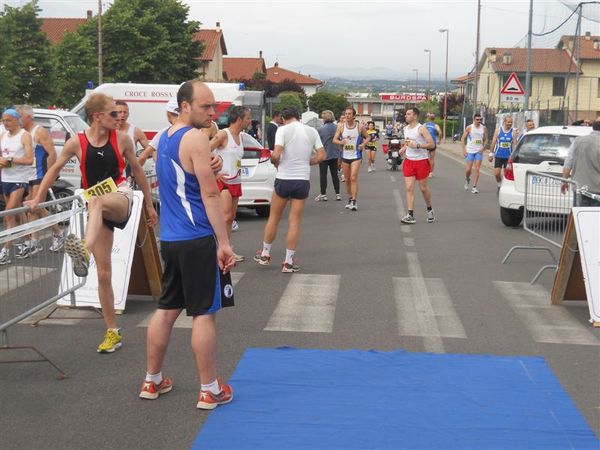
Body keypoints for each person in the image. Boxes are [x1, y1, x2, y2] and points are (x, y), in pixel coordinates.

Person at [25, 93, 158, 353]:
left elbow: (138, 169)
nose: (119, 117)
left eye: (120, 113)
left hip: (120, 198)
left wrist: (150, 205)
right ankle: (113, 332)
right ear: (97, 116)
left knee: (96, 202)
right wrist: (37, 198)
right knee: (104, 274)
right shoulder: (77, 142)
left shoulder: (121, 139)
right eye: (113, 113)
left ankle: (83, 250)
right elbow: (54, 169)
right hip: (97, 213)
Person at [140, 80, 236, 409]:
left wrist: (212, 166)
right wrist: (224, 242)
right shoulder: (195, 137)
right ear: (184, 106)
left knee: (166, 310)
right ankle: (210, 389)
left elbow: (186, 177)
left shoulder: (164, 137)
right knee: (204, 314)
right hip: (197, 238)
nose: (213, 113)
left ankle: (152, 380)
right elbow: (209, 194)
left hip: (172, 238)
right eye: (205, 107)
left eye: (214, 107)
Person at [253, 107, 325, 272]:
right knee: (294, 222)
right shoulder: (312, 131)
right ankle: (288, 262)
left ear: (284, 118)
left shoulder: (282, 130)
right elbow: (322, 155)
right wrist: (307, 163)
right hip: (302, 180)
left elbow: (276, 154)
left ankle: (265, 254)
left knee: (274, 219)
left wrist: (273, 160)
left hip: (284, 179)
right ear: (298, 117)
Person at [14, 105, 64, 258]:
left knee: (34, 207)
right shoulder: (21, 133)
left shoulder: (39, 131)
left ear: (28, 117)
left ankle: (37, 241)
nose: (18, 120)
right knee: (32, 207)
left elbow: (52, 153)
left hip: (39, 174)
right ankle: (56, 234)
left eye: (19, 117)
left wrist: (50, 174)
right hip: (25, 175)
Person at [210, 105, 251, 262]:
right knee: (225, 216)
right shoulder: (223, 135)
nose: (250, 121)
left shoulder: (240, 136)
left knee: (231, 217)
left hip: (236, 181)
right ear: (239, 119)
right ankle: (218, 249)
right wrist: (215, 173)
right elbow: (205, 150)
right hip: (224, 182)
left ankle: (226, 249)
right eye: (248, 118)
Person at [0, 109, 33, 265]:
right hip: (5, 179)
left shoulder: (24, 136)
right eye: (3, 120)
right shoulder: (3, 136)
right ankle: (28, 242)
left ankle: (5, 250)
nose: (5, 123)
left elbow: (29, 159)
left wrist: (11, 160)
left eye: (8, 120)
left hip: (20, 180)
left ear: (16, 120)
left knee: (8, 214)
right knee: (16, 216)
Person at [399, 107, 435, 224]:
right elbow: (408, 142)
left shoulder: (421, 128)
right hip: (409, 161)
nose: (406, 116)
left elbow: (431, 144)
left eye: (408, 114)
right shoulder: (405, 129)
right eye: (406, 114)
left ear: (415, 116)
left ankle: (429, 209)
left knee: (423, 189)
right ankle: (410, 214)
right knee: (409, 188)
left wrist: (418, 146)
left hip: (421, 161)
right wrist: (404, 148)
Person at [333, 107, 369, 211]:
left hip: (356, 156)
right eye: (346, 114)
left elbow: (368, 137)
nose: (347, 115)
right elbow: (334, 139)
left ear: (354, 116)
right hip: (345, 156)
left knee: (353, 178)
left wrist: (363, 144)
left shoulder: (359, 127)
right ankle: (350, 198)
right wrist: (340, 142)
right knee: (347, 179)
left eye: (349, 114)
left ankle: (354, 201)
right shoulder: (341, 127)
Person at [561, 116, 600, 206]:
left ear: (593, 127)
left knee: (580, 217)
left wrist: (564, 180)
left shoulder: (578, 141)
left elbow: (568, 162)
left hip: (580, 188)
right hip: (598, 190)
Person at [315, 110, 341, 201]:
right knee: (335, 175)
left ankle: (323, 194)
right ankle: (338, 194)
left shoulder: (320, 130)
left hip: (324, 155)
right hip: (335, 154)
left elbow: (317, 144)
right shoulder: (337, 128)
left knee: (323, 175)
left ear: (324, 119)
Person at [488, 115, 517, 192]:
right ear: (504, 122)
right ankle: (499, 184)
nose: (510, 123)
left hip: (508, 157)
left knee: (506, 174)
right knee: (497, 174)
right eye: (508, 122)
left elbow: (515, 144)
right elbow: (494, 142)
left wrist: (515, 156)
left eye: (511, 122)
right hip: (498, 155)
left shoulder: (513, 132)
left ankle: (504, 187)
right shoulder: (498, 130)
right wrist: (491, 154)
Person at [461, 113, 488, 194]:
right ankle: (467, 178)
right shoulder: (469, 128)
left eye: (480, 120)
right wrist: (464, 150)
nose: (479, 121)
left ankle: (474, 187)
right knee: (468, 169)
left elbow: (486, 139)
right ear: (474, 119)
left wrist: (483, 148)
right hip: (470, 150)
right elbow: (462, 139)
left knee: (477, 169)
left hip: (478, 151)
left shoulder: (484, 128)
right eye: (477, 119)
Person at [424, 113, 441, 177]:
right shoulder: (436, 125)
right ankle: (430, 173)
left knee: (425, 157)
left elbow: (420, 131)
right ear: (434, 119)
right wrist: (439, 140)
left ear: (428, 118)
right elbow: (440, 132)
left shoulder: (425, 125)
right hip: (433, 143)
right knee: (432, 158)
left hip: (426, 143)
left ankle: (425, 171)